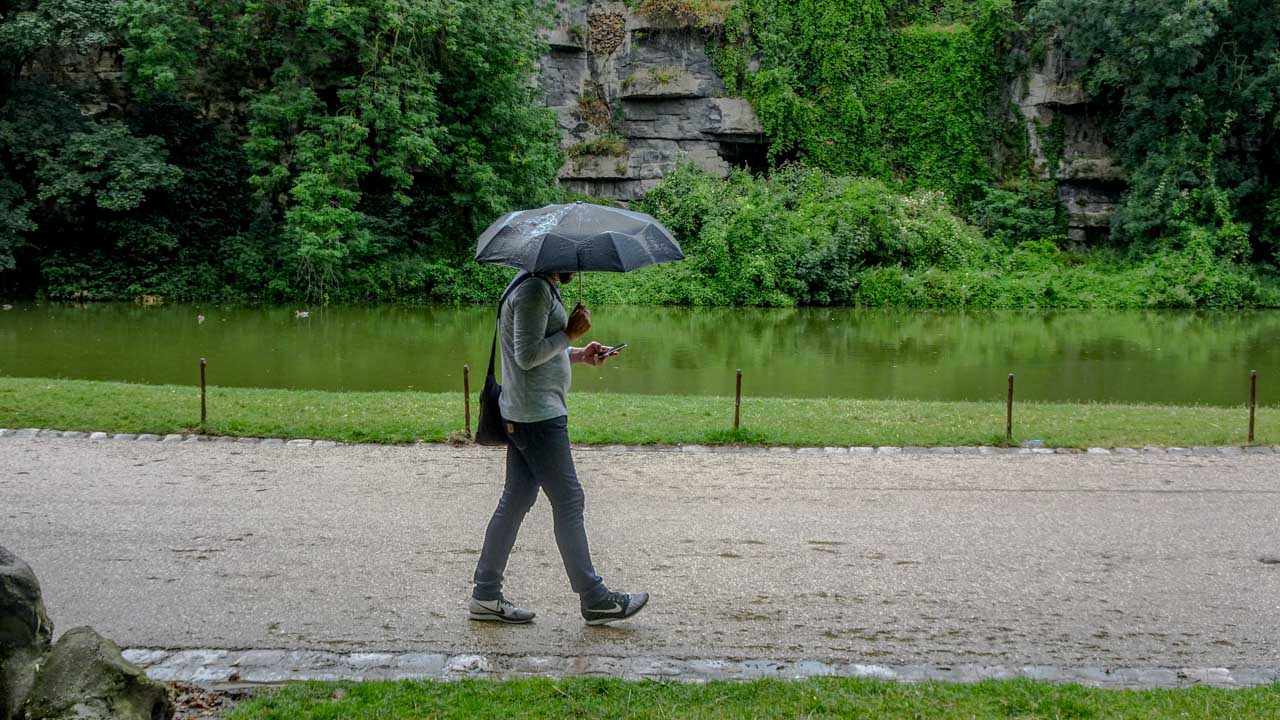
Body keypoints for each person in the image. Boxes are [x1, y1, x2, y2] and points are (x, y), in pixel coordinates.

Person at [468, 271, 649, 626]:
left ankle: (485, 594)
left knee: (516, 500)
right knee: (569, 500)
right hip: (537, 417)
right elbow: (526, 356)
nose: (576, 269)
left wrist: (579, 353)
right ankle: (595, 598)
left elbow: (541, 349)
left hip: (527, 413)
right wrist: (569, 333)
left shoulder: (537, 285)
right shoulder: (534, 290)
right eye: (572, 258)